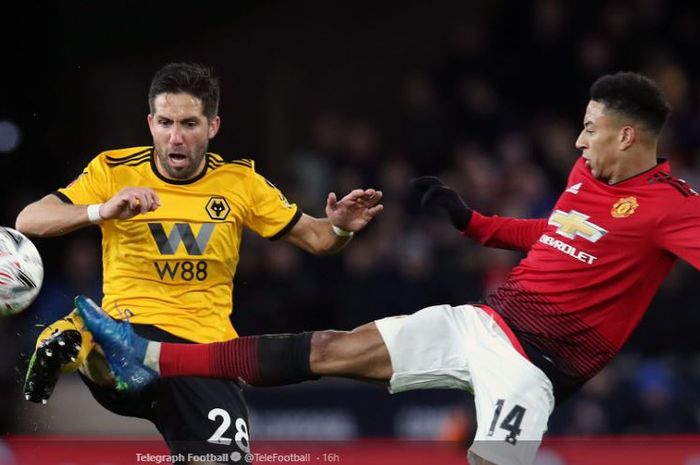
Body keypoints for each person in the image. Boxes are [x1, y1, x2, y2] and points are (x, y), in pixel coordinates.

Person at [72, 71, 694, 465]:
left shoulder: (674, 209)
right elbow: (561, 233)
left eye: (591, 131)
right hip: (480, 323)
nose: (580, 143)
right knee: (328, 349)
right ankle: (147, 355)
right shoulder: (587, 176)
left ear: (629, 138)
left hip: (536, 370)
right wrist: (474, 223)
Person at [16, 62, 383, 464]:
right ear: (150, 123)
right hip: (130, 332)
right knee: (104, 333)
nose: (175, 137)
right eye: (165, 122)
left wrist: (342, 228)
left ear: (213, 126)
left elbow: (319, 238)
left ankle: (78, 344)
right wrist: (100, 210)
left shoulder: (240, 183)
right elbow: (29, 219)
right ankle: (75, 348)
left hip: (205, 356)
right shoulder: (114, 171)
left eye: (189, 124)